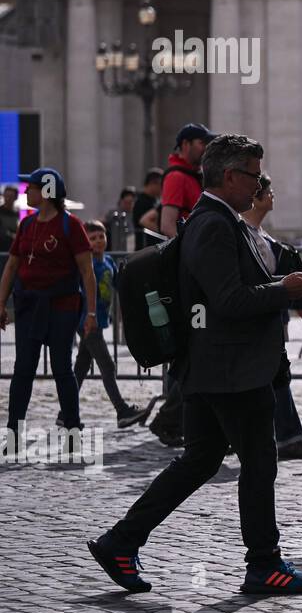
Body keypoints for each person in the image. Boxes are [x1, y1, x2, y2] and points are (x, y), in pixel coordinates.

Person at [88, 134, 302, 595]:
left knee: (199, 461)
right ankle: (264, 565)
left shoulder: (217, 220)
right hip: (231, 370)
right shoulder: (214, 224)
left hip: (214, 367)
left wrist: (281, 285)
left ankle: (122, 540)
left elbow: (229, 290)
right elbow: (229, 299)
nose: (258, 186)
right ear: (232, 176)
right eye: (254, 176)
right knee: (260, 463)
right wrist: (286, 290)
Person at [0, 167, 96, 442]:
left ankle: (72, 432)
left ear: (48, 192)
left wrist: (90, 312)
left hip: (62, 307)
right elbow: (12, 265)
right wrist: (1, 303)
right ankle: (14, 435)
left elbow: (87, 271)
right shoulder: (27, 225)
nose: (26, 191)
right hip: (30, 306)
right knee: (23, 370)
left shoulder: (71, 225)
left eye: (32, 186)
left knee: (62, 369)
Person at [241, 175, 302, 461]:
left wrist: (298, 304)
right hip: (251, 321)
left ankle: (286, 438)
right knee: (264, 378)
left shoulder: (262, 236)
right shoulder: (242, 235)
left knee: (274, 376)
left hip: (269, 321)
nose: (273, 195)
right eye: (268, 191)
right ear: (255, 196)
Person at [151, 124, 215, 445]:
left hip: (195, 268)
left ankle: (179, 418)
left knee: (196, 348)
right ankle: (172, 417)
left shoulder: (191, 176)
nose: (205, 148)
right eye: (201, 142)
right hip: (189, 272)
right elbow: (167, 224)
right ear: (185, 143)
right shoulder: (176, 177)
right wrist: (189, 261)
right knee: (196, 348)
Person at [72, 220, 152, 427]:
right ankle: (122, 411)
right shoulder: (85, 264)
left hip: (98, 321)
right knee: (107, 366)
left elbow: (120, 286)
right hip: (87, 322)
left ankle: (66, 412)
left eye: (101, 236)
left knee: (81, 367)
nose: (98, 241)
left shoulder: (108, 261)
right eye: (93, 238)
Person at [132, 168, 164, 251]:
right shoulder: (141, 201)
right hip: (145, 248)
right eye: (161, 184)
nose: (163, 188)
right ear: (152, 183)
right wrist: (162, 235)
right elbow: (144, 221)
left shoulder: (155, 200)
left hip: (153, 247)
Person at [104, 187, 136, 254]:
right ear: (121, 201)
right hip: (115, 245)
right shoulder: (113, 213)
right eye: (126, 202)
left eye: (130, 202)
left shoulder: (135, 214)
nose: (128, 205)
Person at [0, 184, 19, 254]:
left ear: (15, 198)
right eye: (6, 196)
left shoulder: (18, 213)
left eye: (11, 196)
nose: (8, 198)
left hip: (15, 250)